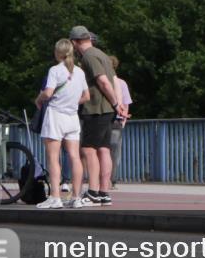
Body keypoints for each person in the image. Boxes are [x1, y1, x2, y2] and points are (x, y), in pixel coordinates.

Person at [69, 25, 126, 206]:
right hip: (107, 109)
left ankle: (93, 192)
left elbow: (103, 81)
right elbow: (114, 80)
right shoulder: (101, 54)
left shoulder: (89, 56)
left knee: (88, 149)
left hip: (95, 109)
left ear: (74, 42)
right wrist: (118, 104)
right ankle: (104, 192)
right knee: (104, 149)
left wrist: (116, 103)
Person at [34, 39, 90, 209]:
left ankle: (55, 197)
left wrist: (39, 98)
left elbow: (49, 92)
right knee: (74, 156)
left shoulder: (55, 70)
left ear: (57, 53)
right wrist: (71, 102)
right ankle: (76, 197)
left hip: (56, 115)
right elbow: (86, 96)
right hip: (72, 116)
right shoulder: (79, 72)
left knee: (53, 156)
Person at [109, 55, 132, 189]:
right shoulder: (121, 83)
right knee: (114, 152)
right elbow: (126, 102)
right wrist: (124, 120)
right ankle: (112, 180)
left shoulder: (100, 81)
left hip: (103, 119)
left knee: (101, 150)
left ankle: (102, 179)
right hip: (117, 120)